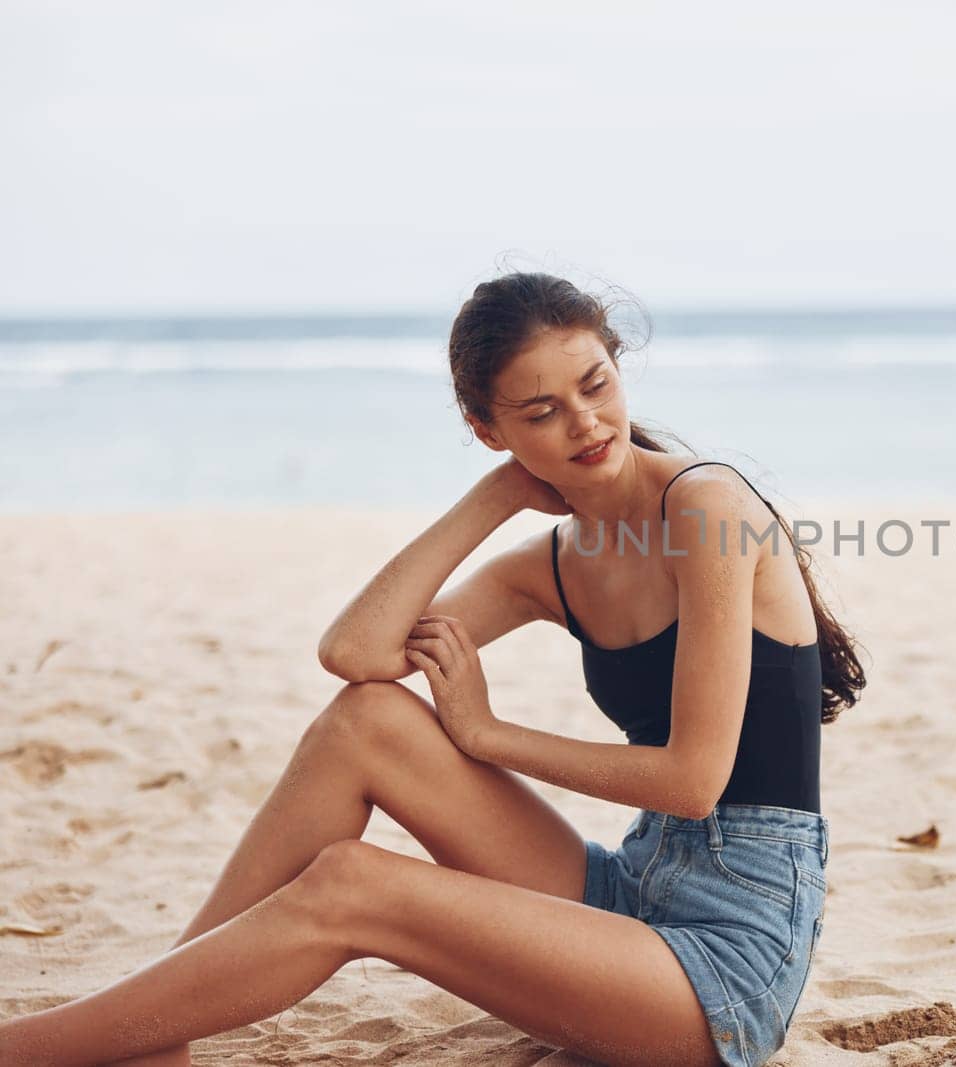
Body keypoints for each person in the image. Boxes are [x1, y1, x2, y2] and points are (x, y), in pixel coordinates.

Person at [0, 271, 866, 1067]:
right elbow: (358, 654)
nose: (586, 423)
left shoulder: (708, 508)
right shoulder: (556, 562)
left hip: (725, 963)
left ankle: (30, 1049)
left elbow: (691, 779)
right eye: (539, 413)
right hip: (629, 894)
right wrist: (494, 495)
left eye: (595, 384)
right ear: (488, 428)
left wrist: (489, 734)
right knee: (365, 721)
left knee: (353, 882)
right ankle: (162, 1030)